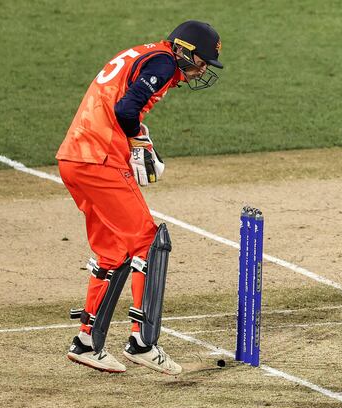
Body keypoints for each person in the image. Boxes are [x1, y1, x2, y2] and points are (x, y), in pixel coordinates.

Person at [57, 21, 224, 373]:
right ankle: (142, 341)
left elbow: (118, 103)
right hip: (101, 160)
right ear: (184, 50)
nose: (202, 70)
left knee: (113, 250)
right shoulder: (163, 64)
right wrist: (135, 139)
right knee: (148, 242)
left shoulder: (146, 54)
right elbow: (125, 111)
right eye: (201, 61)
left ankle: (87, 341)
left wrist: (136, 137)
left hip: (74, 158)